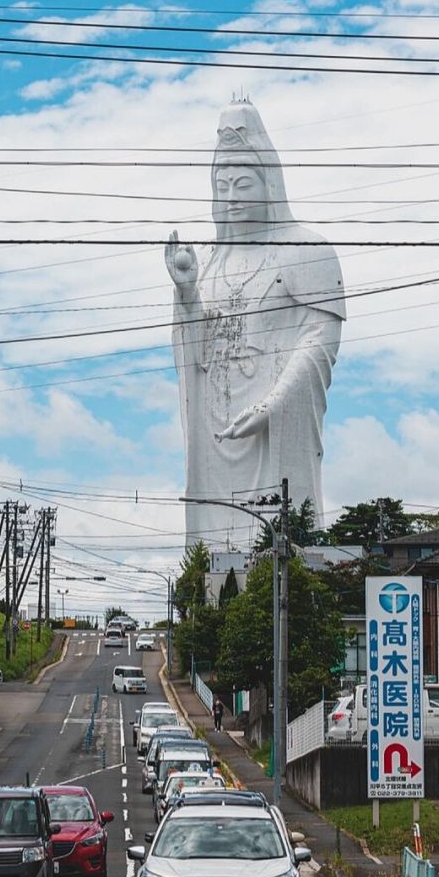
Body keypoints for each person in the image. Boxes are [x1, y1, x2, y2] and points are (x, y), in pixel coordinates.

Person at [166, 99, 345, 545]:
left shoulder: (306, 249)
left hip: (272, 423)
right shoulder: (207, 261)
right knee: (216, 532)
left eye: (243, 183)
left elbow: (320, 340)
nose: (230, 197)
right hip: (215, 423)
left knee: (278, 527)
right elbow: (199, 348)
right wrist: (187, 293)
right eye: (221, 184)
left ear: (270, 182)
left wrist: (274, 403)